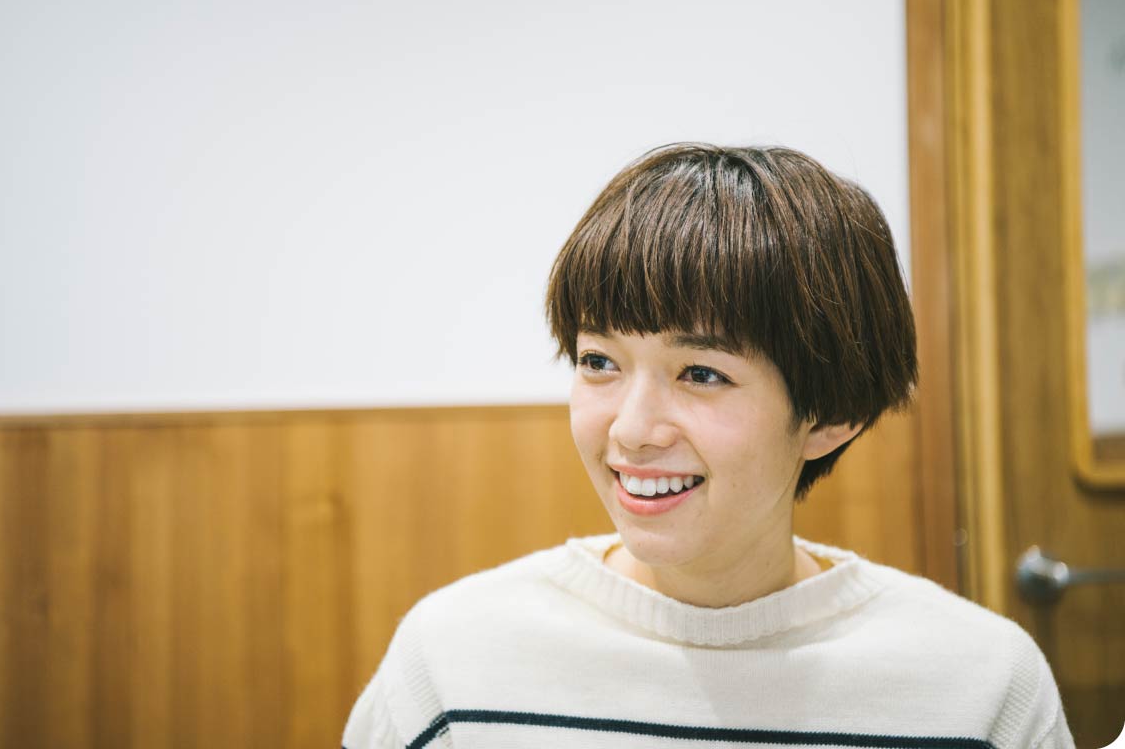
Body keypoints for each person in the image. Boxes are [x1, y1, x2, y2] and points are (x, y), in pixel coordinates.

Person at [342, 143, 1074, 748]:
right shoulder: (455, 662)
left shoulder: (979, 688)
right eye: (599, 361)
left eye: (701, 373)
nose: (631, 430)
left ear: (831, 413)